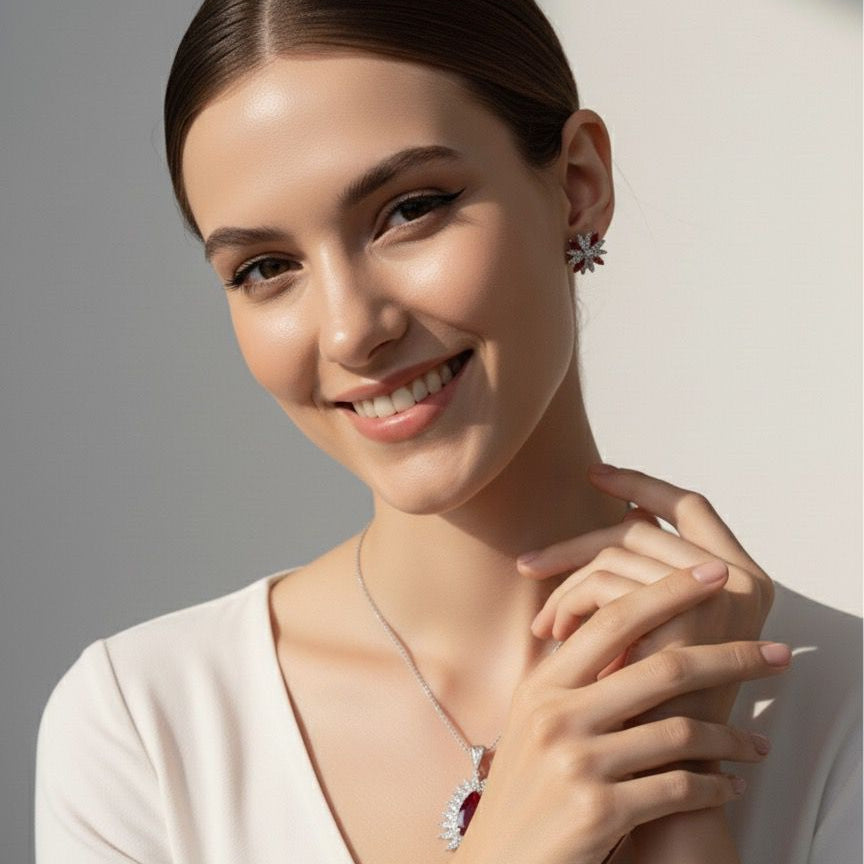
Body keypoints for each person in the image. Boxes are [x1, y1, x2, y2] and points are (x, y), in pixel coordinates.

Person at [34, 2, 861, 862]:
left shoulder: (844, 710)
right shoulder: (145, 724)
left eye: (409, 209)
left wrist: (679, 807)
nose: (352, 331)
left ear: (578, 184)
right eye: (266, 268)